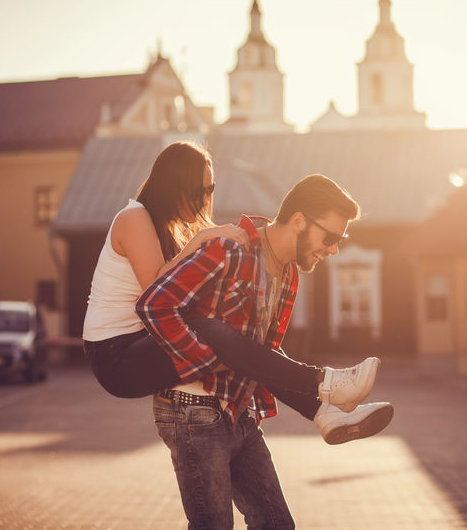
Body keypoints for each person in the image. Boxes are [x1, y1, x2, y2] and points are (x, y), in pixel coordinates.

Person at [82, 142, 393, 445]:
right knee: (211, 329)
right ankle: (324, 383)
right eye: (199, 191)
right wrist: (204, 237)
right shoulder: (134, 217)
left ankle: (323, 410)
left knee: (239, 337)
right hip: (116, 355)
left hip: (147, 342)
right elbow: (154, 292)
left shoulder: (176, 228)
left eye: (210, 189)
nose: (205, 199)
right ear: (174, 186)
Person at [138, 173, 391, 529]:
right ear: (299, 220)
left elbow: (262, 356)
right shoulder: (230, 249)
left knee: (276, 524)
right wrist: (202, 360)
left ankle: (325, 407)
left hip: (237, 411)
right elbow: (155, 305)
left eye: (340, 240)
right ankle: (328, 392)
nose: (334, 249)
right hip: (192, 410)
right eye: (330, 237)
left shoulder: (288, 273)